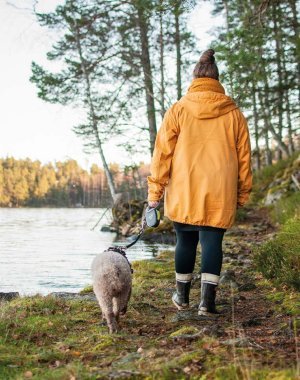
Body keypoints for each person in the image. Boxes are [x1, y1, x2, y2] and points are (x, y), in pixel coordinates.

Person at [147, 49, 253, 316]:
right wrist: (242, 194)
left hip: (184, 187)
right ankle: (207, 303)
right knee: (212, 242)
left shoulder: (178, 110)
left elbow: (162, 155)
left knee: (185, 240)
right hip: (220, 190)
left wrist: (154, 194)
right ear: (218, 80)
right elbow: (244, 159)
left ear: (194, 78)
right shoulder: (234, 114)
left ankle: (182, 298)